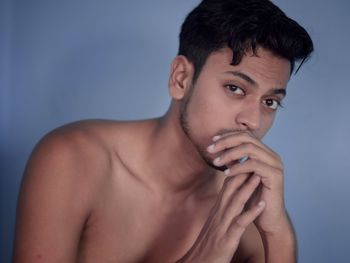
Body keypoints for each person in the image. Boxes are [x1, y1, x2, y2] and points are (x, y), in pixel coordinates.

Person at [13, 0, 313, 262]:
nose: (253, 120)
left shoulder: (251, 217)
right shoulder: (74, 160)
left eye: (270, 102)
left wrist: (279, 237)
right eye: (235, 88)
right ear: (181, 79)